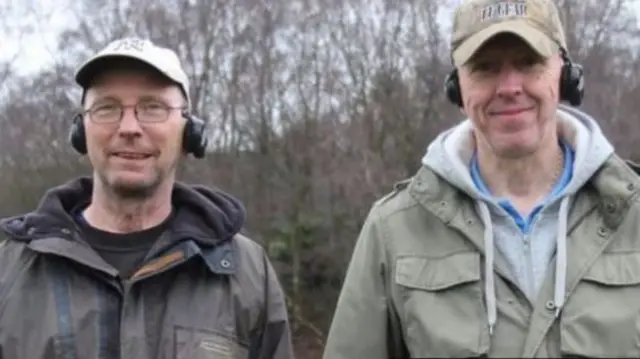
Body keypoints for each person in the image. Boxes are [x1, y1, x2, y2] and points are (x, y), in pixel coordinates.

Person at [322, 0, 640, 357]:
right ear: (457, 89)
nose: (509, 86)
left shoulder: (632, 214)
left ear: (565, 75)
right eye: (485, 68)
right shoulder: (394, 230)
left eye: (528, 62)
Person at [0, 37, 294, 359]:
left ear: (190, 132)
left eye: (152, 107)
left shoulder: (246, 274)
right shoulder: (10, 271)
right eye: (107, 108)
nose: (129, 127)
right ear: (80, 131)